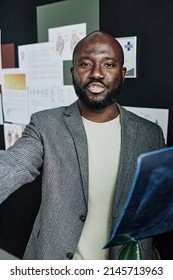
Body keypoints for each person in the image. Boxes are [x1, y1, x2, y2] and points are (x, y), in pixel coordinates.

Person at [0, 31, 166, 260]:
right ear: (73, 72)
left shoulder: (150, 135)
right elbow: (15, 163)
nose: (96, 73)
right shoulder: (45, 124)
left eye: (108, 64)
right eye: (86, 64)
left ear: (122, 73)